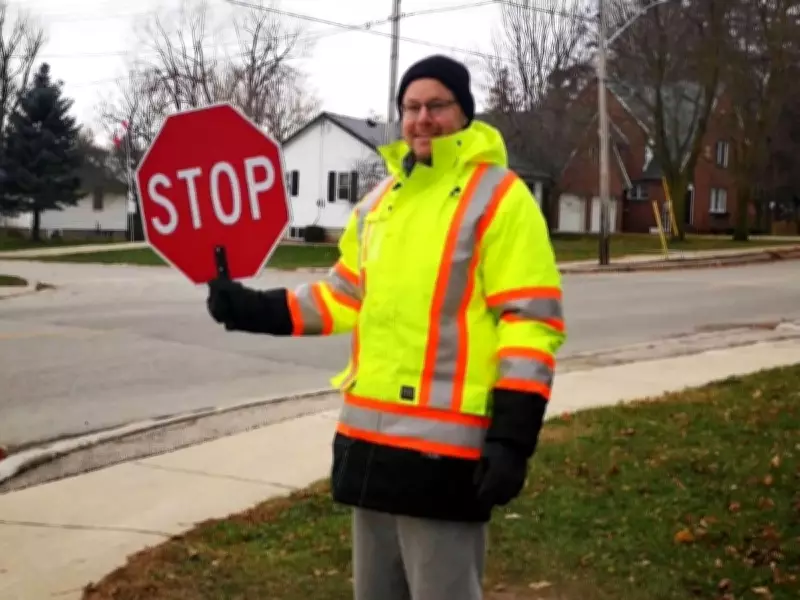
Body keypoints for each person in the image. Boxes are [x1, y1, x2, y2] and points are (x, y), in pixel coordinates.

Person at [207, 54, 566, 600]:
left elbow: (530, 323)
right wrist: (249, 309)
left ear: (464, 113)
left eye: (437, 105)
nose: (423, 118)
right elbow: (339, 297)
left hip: (448, 456)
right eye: (411, 107)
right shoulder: (379, 204)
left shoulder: (500, 197)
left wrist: (513, 439)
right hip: (370, 446)